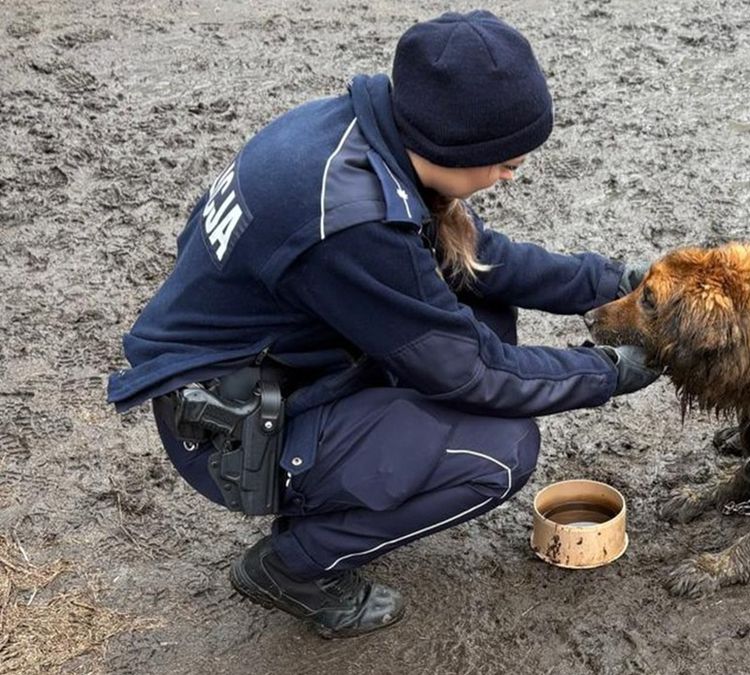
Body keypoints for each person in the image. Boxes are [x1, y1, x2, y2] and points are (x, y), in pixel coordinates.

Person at [106, 10, 661, 639]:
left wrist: (614, 283)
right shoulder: (353, 222)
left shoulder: (359, 134)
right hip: (230, 430)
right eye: (505, 160)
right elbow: (473, 372)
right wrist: (608, 372)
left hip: (268, 370)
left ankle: (350, 482)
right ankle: (295, 565)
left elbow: (478, 260)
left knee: (480, 306)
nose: (515, 171)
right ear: (454, 144)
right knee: (499, 453)